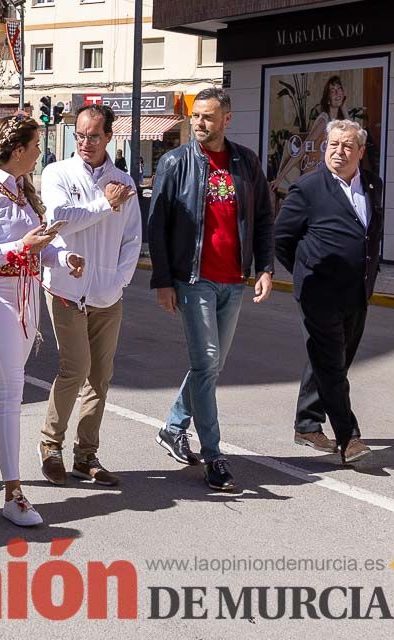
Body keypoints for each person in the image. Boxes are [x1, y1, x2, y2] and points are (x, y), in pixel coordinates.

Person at [0, 116, 84, 527]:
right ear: (17, 149)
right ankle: (14, 493)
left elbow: (37, 249)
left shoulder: (18, 191)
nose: (38, 152)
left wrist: (62, 256)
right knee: (11, 387)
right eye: (34, 145)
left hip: (26, 295)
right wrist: (19, 247)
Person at [148, 87, 275, 491]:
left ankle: (172, 427)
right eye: (196, 116)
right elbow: (158, 226)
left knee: (212, 367)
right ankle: (214, 454)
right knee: (206, 363)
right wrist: (164, 280)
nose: (200, 123)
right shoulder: (175, 162)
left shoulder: (246, 162)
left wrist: (265, 267)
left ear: (226, 119)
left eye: (208, 116)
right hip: (193, 279)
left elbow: (263, 219)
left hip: (233, 280)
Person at [35, 105, 141, 487]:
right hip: (65, 287)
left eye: (94, 136)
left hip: (107, 294)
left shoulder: (122, 181)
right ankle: (50, 445)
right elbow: (61, 215)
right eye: (79, 135)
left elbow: (132, 238)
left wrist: (119, 279)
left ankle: (86, 456)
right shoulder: (57, 173)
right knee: (75, 367)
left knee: (100, 376)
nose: (85, 143)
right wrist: (103, 204)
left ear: (109, 137)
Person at [275, 120, 383, 464]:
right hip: (318, 292)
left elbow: (371, 234)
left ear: (360, 152)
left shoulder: (372, 184)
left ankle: (307, 423)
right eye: (333, 144)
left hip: (357, 292)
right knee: (332, 367)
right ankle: (348, 437)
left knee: (332, 361)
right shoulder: (308, 188)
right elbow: (282, 238)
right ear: (324, 148)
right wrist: (306, 272)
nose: (339, 151)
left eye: (348, 146)